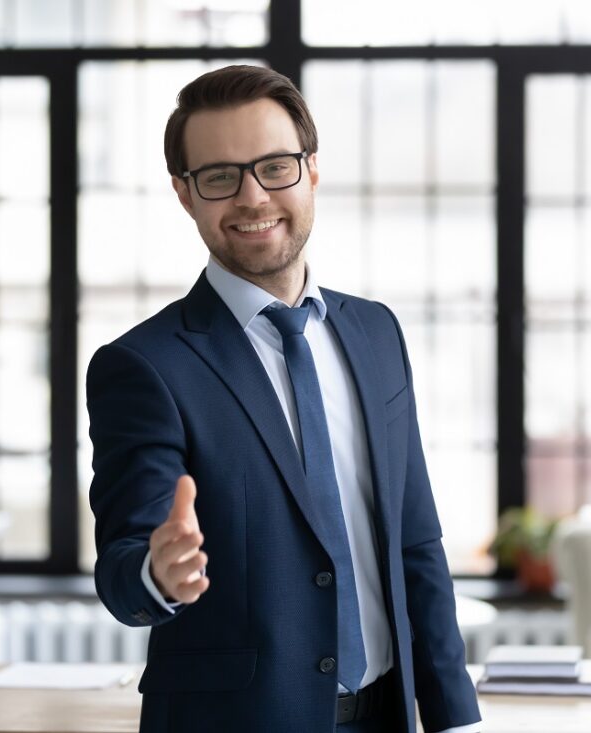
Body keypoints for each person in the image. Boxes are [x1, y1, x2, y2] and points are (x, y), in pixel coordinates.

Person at [86, 64, 482, 733]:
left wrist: (454, 717)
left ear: (312, 170)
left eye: (274, 166)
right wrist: (159, 573)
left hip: (385, 714)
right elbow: (125, 562)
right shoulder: (144, 367)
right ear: (186, 194)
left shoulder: (375, 332)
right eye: (219, 177)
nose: (252, 196)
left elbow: (416, 542)